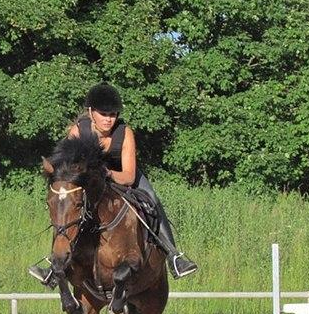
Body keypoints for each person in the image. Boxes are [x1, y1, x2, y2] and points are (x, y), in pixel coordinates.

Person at [29, 82, 198, 285]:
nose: (109, 120)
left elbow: (128, 175)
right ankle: (54, 267)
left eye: (113, 115)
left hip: (120, 175)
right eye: (104, 114)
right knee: (65, 206)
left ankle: (174, 257)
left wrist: (105, 173)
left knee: (152, 200)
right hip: (90, 181)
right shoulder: (77, 131)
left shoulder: (125, 133)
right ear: (91, 112)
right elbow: (67, 168)